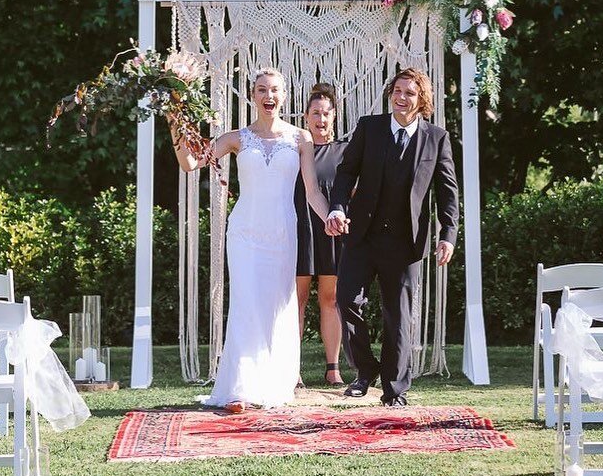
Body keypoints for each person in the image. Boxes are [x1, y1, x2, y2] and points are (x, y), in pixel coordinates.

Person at [170, 68, 331, 411]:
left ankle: (271, 384)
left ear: (284, 95)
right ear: (252, 96)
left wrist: (330, 216)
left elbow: (313, 192)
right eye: (261, 90)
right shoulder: (236, 138)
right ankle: (240, 390)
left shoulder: (301, 138)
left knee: (277, 307)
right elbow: (190, 162)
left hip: (283, 233)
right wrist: (175, 122)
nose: (268, 96)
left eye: (274, 90)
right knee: (245, 304)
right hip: (244, 234)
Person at [326, 68, 459, 407]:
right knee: (346, 300)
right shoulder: (369, 128)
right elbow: (346, 171)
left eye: (409, 93)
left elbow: (447, 192)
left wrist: (448, 234)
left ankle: (395, 391)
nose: (402, 97)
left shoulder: (437, 138)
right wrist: (338, 207)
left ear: (422, 100)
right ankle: (366, 369)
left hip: (405, 242)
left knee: (398, 317)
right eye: (397, 91)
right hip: (363, 235)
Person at [294, 83, 348, 387]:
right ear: (306, 116)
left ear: (334, 116)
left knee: (331, 298)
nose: (321, 119)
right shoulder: (295, 150)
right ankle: (292, 369)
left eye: (326, 113)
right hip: (299, 229)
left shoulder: (345, 151)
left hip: (332, 232)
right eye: (315, 113)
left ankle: (333, 368)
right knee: (297, 300)